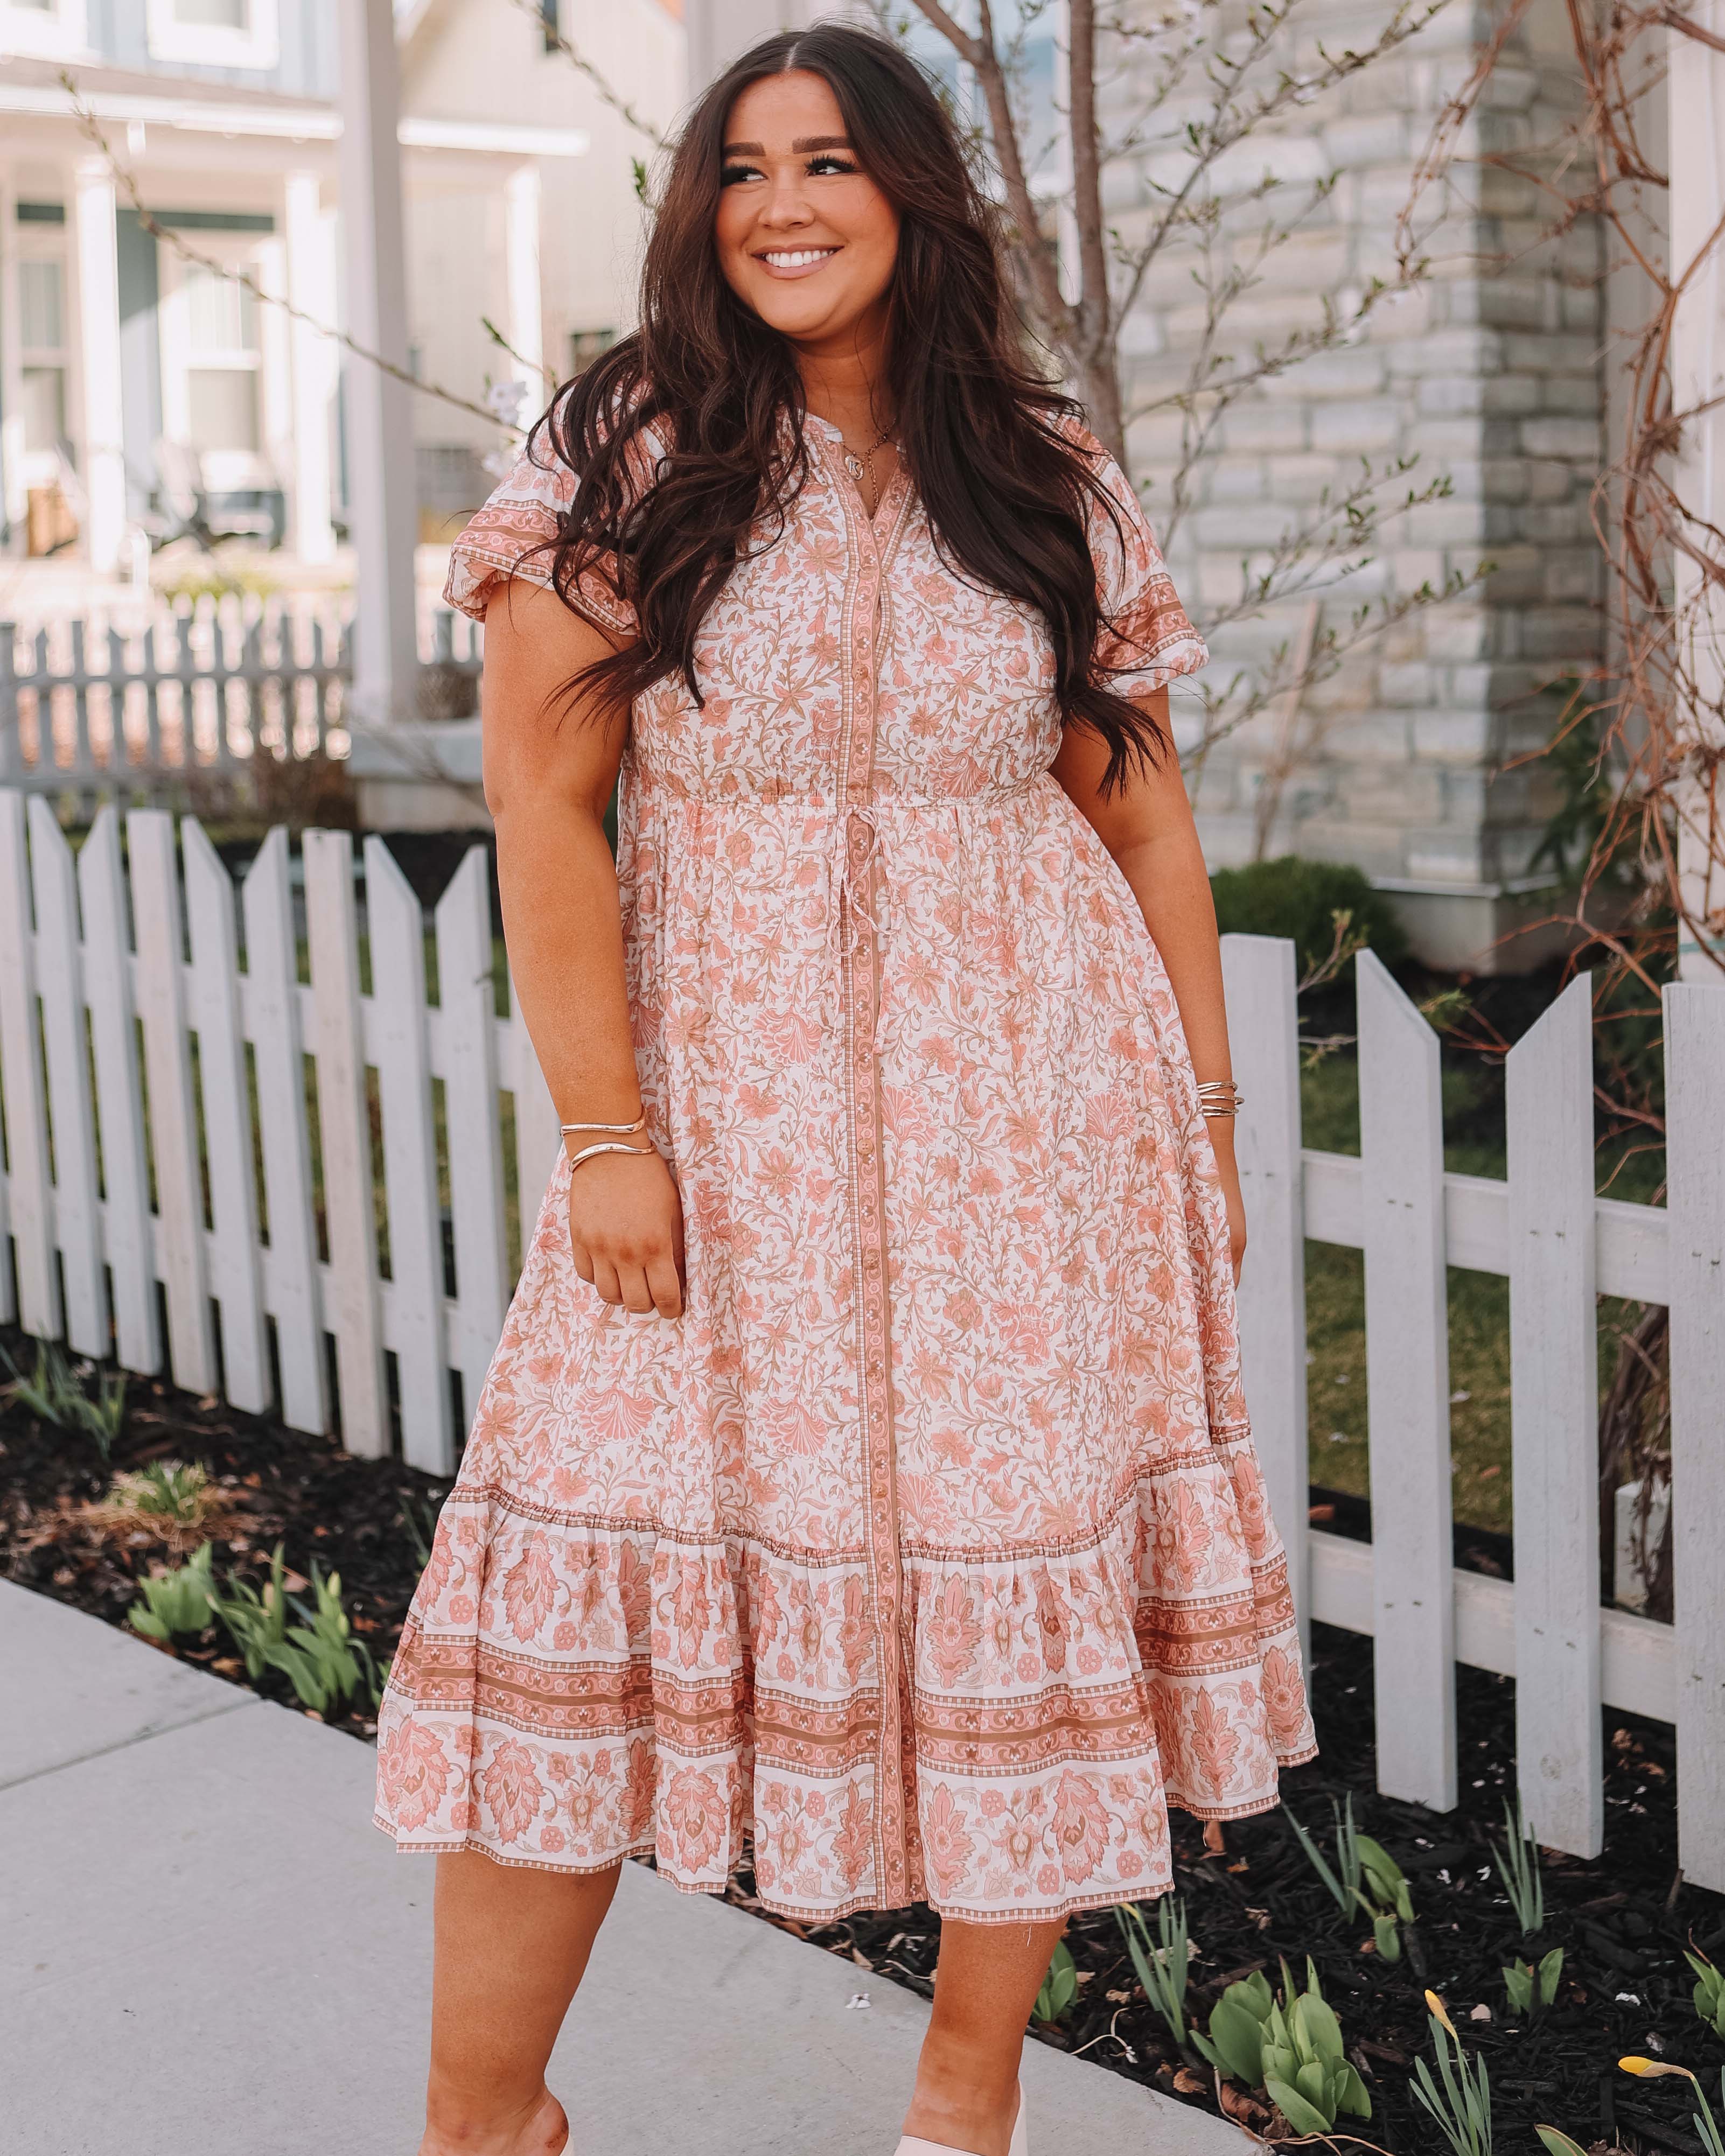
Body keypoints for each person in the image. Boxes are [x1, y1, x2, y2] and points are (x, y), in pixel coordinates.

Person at [374, 24, 1315, 2156]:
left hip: (1036, 1140)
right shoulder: (630, 446)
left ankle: (964, 2092)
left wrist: (1205, 1119)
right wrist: (608, 1131)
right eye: (741, 168)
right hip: (723, 1131)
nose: (781, 205)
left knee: (1026, 1570)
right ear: (702, 209)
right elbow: (545, 805)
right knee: (579, 1603)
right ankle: (479, 2119)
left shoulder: (1040, 471)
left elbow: (1144, 819)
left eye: (829, 163)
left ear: (913, 194)